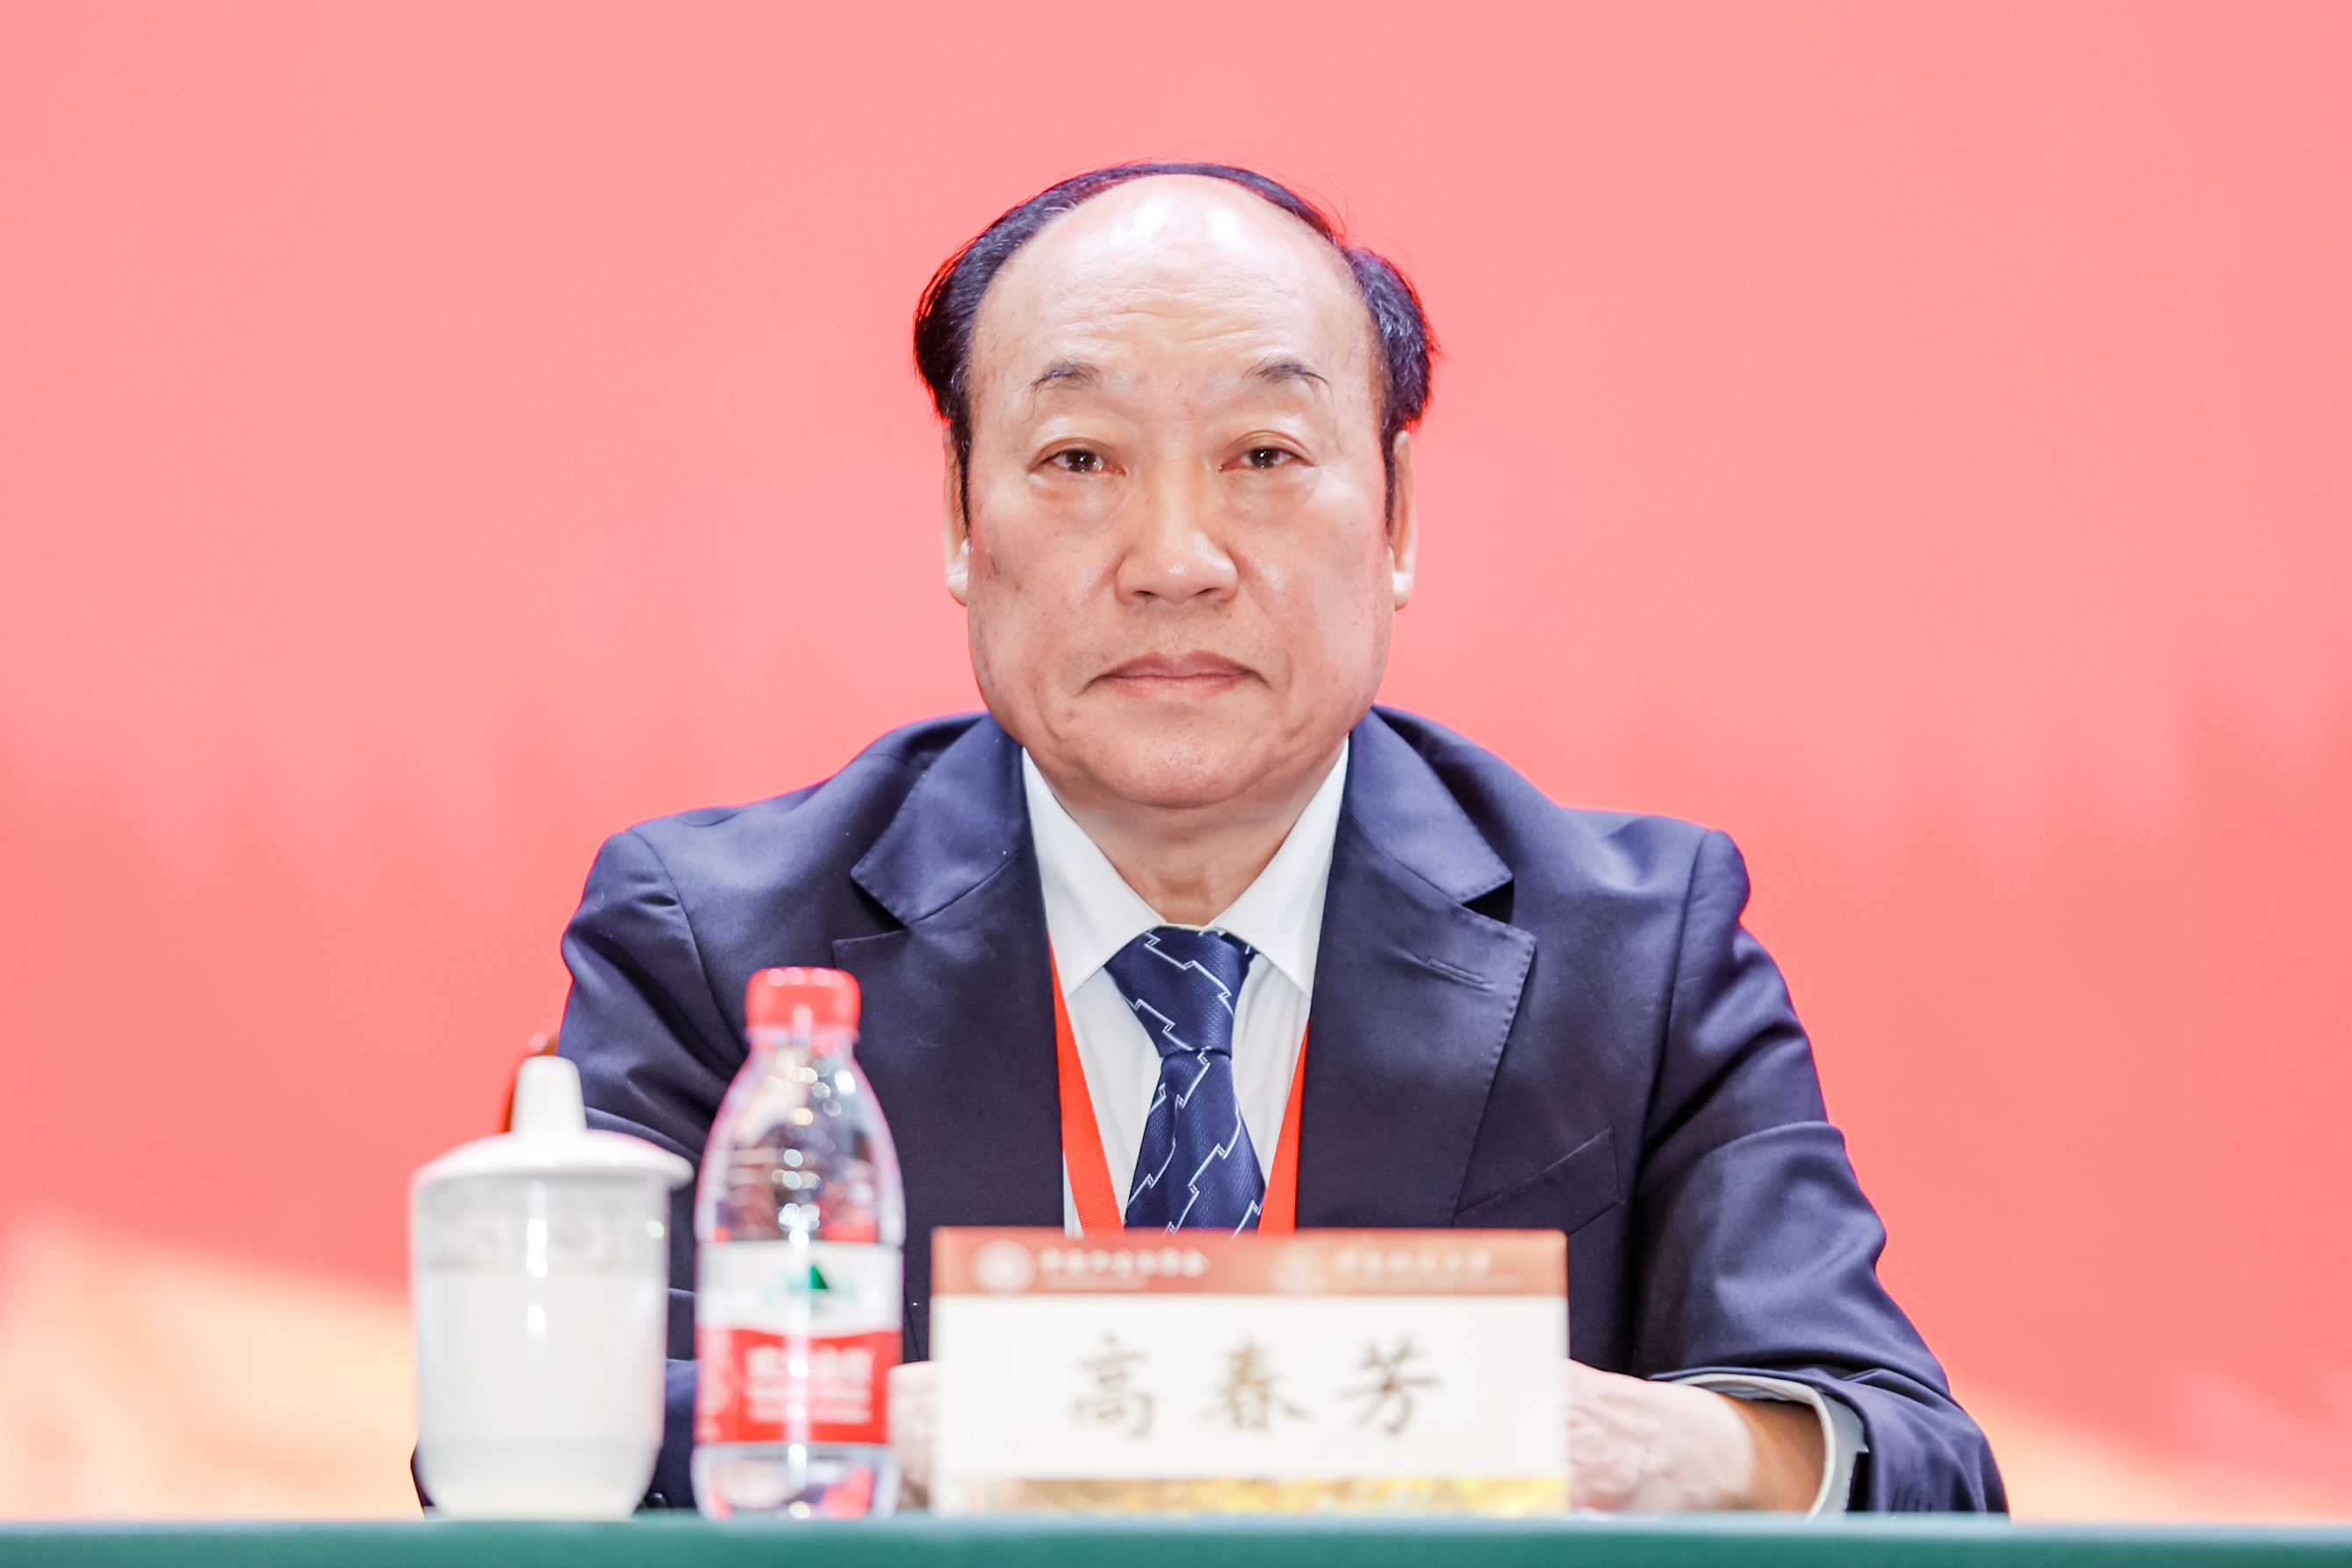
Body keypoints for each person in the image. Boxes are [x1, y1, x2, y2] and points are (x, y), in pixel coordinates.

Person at [557, 162, 2004, 1513]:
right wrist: (892, 1425)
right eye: (1079, 458)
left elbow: (1913, 1456)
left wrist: (1643, 1444)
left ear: (1397, 519)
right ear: (958, 516)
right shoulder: (717, 942)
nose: (1175, 560)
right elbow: (533, 1425)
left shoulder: (1635, 950)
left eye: (1263, 453)